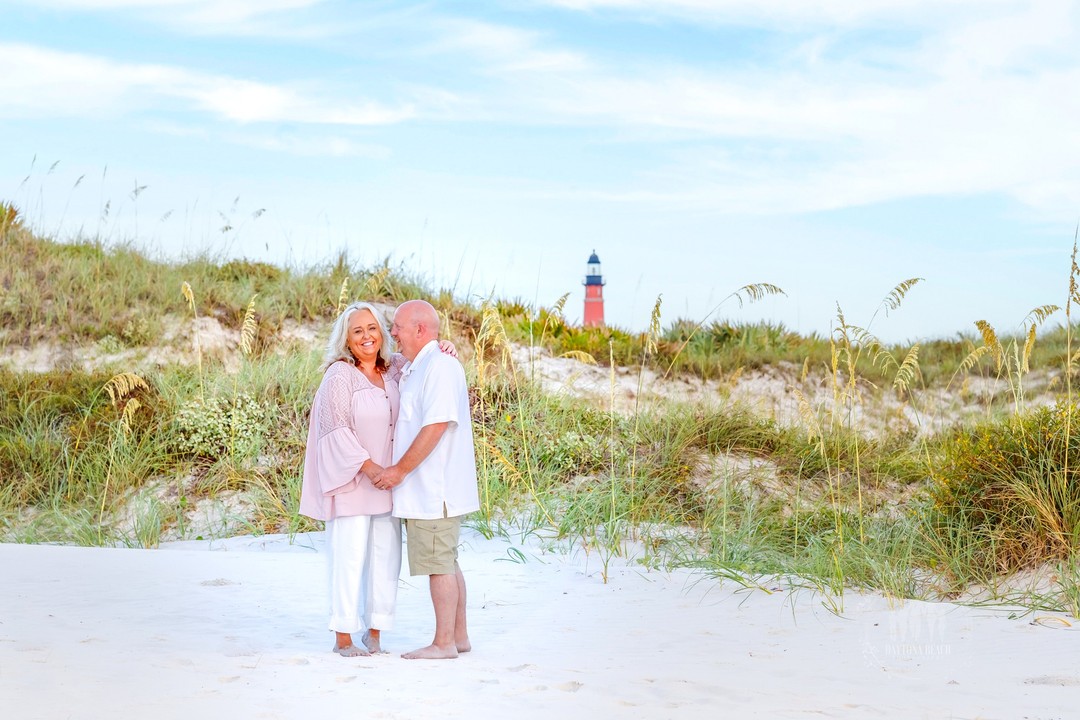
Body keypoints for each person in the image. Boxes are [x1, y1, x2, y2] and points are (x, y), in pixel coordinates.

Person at [299, 300, 455, 658]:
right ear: (345, 339)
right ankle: (343, 637)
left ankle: (375, 633)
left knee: (386, 560)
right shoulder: (339, 375)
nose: (367, 336)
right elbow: (335, 430)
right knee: (349, 557)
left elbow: (427, 362)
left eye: (372, 329)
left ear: (382, 334)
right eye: (357, 331)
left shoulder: (395, 369)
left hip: (390, 485)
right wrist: (372, 470)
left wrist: (446, 348)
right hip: (355, 481)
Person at [372, 299, 480, 660]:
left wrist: (399, 471)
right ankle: (459, 637)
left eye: (398, 327)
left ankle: (444, 643)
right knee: (445, 561)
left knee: (438, 565)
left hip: (436, 490)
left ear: (419, 329)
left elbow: (435, 426)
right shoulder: (420, 366)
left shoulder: (440, 367)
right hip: (429, 490)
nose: (393, 334)